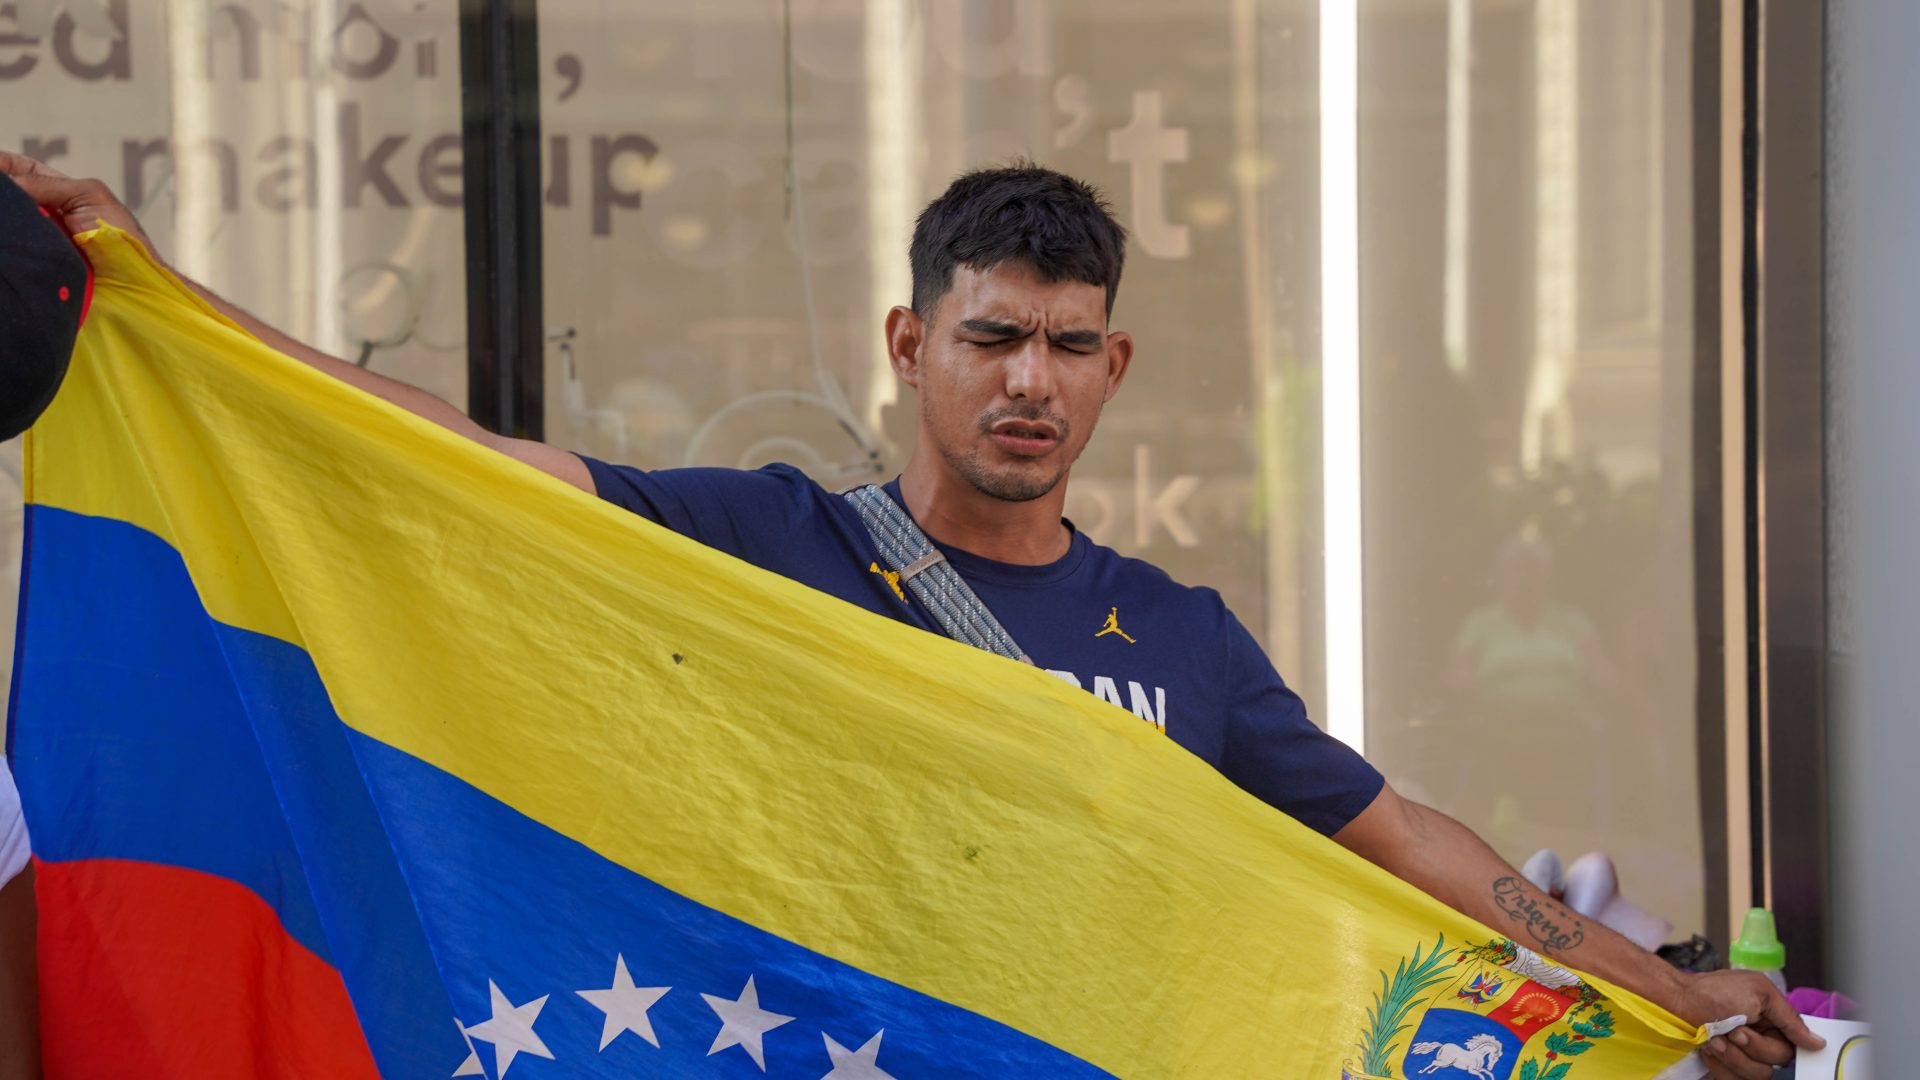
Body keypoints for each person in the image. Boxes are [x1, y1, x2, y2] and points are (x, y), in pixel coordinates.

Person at [1, 151, 1818, 1079]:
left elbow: (1401, 839)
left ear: (1116, 366)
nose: (1029, 381)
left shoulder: (1177, 637)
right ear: (911, 345)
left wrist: (1663, 994)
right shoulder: (773, 539)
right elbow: (477, 465)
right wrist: (189, 311)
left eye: (1069, 344)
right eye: (991, 337)